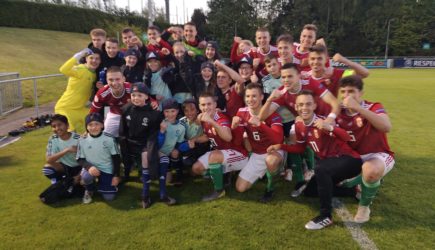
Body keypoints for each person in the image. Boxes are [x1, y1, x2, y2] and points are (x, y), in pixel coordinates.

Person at [267, 90, 362, 230]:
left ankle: (326, 216)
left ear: (314, 106)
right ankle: (353, 190)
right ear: (296, 107)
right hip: (329, 166)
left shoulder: (323, 120)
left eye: (308, 104)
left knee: (320, 168)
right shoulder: (299, 126)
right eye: (300, 105)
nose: (304, 107)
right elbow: (300, 148)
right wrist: (280, 146)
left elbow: (346, 137)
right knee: (310, 191)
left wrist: (329, 127)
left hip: (349, 160)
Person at [336, 75, 394, 223]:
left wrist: (358, 108)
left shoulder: (373, 106)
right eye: (343, 92)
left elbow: (386, 127)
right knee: (334, 180)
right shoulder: (338, 111)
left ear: (360, 93)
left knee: (370, 171)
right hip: (353, 157)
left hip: (377, 154)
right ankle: (358, 181)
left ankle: (364, 207)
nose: (346, 95)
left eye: (351, 91)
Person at [191, 93, 248, 201]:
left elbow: (228, 137)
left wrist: (212, 122)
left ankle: (219, 191)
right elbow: (207, 136)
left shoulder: (220, 118)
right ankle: (225, 173)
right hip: (220, 155)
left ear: (215, 104)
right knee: (196, 169)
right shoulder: (204, 118)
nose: (206, 107)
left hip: (239, 154)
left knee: (214, 155)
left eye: (209, 104)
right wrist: (194, 139)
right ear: (199, 106)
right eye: (203, 105)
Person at [232, 83, 284, 202]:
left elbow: (278, 140)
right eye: (248, 96)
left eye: (254, 96)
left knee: (270, 161)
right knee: (240, 188)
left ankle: (270, 188)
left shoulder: (273, 114)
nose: (250, 99)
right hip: (257, 153)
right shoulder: (241, 112)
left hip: (274, 150)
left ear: (261, 97)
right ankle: (266, 172)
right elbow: (237, 140)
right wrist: (235, 128)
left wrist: (260, 125)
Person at [118, 83, 165, 208]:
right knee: (121, 152)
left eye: (139, 95)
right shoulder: (126, 109)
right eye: (133, 95)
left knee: (146, 156)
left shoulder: (154, 114)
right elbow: (122, 130)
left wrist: (149, 148)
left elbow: (153, 135)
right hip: (129, 143)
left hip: (145, 143)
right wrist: (123, 143)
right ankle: (125, 174)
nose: (136, 98)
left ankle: (145, 194)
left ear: (146, 97)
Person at [54, 47, 102, 133]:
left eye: (97, 59)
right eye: (91, 58)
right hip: (65, 108)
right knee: (68, 134)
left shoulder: (94, 74)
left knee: (96, 124)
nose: (94, 60)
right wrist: (77, 56)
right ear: (86, 59)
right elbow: (63, 69)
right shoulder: (80, 69)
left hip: (79, 109)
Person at [77, 113, 121, 204]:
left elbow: (116, 158)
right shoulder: (82, 140)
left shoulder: (109, 139)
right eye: (90, 125)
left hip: (107, 169)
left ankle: (104, 182)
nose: (93, 128)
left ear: (102, 125)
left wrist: (116, 175)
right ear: (86, 127)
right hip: (91, 169)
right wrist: (89, 167)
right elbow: (79, 159)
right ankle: (89, 189)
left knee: (109, 197)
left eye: (96, 124)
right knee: (86, 177)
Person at [89, 66, 131, 137]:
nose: (114, 83)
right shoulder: (102, 93)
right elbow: (94, 111)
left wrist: (153, 102)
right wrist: (89, 127)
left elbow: (148, 100)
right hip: (114, 114)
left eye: (117, 79)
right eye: (111, 80)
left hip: (131, 115)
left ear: (124, 79)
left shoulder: (131, 88)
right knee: (106, 137)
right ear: (107, 80)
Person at [43, 114, 81, 185]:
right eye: (54, 126)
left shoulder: (78, 138)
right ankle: (58, 182)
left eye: (59, 125)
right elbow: (49, 160)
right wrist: (66, 150)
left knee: (82, 182)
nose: (57, 128)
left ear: (67, 125)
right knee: (47, 169)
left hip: (80, 167)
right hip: (64, 167)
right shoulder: (53, 139)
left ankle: (72, 181)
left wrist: (80, 174)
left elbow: (89, 160)